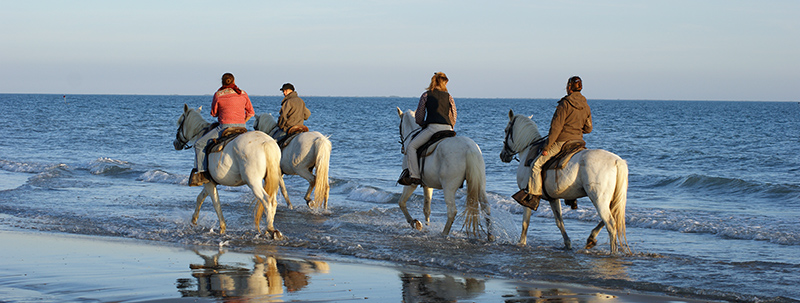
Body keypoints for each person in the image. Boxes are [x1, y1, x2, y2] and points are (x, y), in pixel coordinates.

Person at [513, 76, 592, 209]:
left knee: (536, 165)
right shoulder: (585, 105)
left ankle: (533, 197)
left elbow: (556, 128)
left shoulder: (565, 104)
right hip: (579, 142)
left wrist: (547, 147)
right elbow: (589, 128)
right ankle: (571, 197)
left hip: (562, 142)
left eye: (567, 86)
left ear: (569, 88)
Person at [190, 73, 255, 186]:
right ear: (234, 81)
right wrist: (242, 122)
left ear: (222, 82)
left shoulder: (218, 94)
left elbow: (213, 113)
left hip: (224, 127)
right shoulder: (243, 94)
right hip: (242, 127)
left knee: (199, 144)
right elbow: (251, 113)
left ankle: (202, 174)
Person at [398, 72, 457, 186]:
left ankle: (415, 176)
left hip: (433, 128)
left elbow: (419, 115)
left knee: (411, 147)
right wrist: (451, 126)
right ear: (443, 82)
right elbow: (453, 115)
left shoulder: (426, 95)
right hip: (448, 129)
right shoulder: (449, 96)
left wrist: (422, 124)